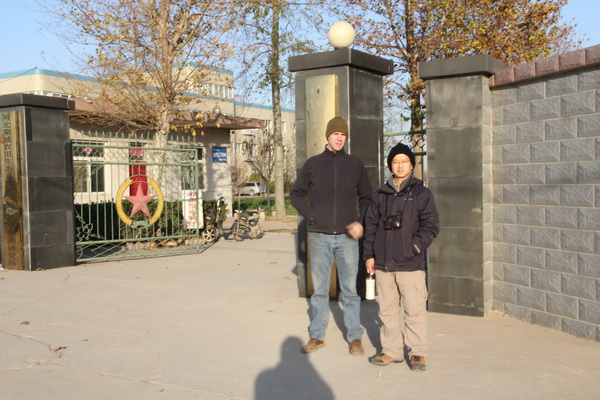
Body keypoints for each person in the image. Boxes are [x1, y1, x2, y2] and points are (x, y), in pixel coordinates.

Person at [290, 116, 373, 356]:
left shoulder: (355, 164)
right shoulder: (313, 164)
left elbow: (367, 197)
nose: (339, 138)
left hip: (348, 238)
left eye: (343, 134)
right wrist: (311, 216)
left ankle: (355, 337)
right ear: (327, 136)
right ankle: (317, 336)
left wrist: (360, 222)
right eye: (336, 134)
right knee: (320, 291)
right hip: (320, 237)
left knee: (350, 291)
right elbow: (296, 194)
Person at [363, 143, 439, 371]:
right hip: (383, 264)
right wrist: (369, 255)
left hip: (410, 264)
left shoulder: (422, 194)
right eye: (395, 162)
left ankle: (417, 353)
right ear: (390, 166)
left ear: (412, 165)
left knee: (414, 310)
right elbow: (370, 227)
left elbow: (431, 226)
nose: (400, 165)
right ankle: (391, 350)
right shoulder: (380, 195)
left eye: (404, 161)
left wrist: (413, 247)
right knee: (387, 311)